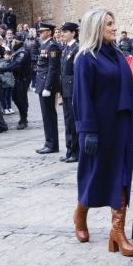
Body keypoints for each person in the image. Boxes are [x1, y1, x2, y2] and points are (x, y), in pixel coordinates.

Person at [72, 8, 133, 257]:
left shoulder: (118, 54)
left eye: (114, 23)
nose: (114, 28)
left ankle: (117, 232)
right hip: (98, 128)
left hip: (121, 125)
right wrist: (88, 130)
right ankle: (81, 213)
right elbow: (82, 98)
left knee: (121, 174)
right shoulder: (86, 58)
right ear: (96, 28)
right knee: (95, 175)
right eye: (109, 24)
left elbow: (125, 87)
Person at [34, 22, 62, 154]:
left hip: (47, 84)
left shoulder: (52, 46)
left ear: (49, 32)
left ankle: (52, 144)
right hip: (42, 83)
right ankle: (48, 142)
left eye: (42, 31)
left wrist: (48, 87)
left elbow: (52, 68)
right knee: (46, 116)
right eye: (39, 32)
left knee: (49, 115)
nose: (40, 34)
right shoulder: (45, 45)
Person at [0, 34, 31, 129]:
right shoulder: (17, 51)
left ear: (17, 41)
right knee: (16, 98)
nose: (12, 42)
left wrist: (3, 70)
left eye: (14, 41)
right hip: (17, 79)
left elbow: (17, 64)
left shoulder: (23, 52)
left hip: (22, 79)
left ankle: (24, 119)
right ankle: (23, 117)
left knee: (21, 99)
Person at [59, 21, 80, 163]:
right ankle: (69, 150)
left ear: (73, 33)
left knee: (73, 122)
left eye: (65, 32)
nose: (62, 34)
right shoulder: (66, 48)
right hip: (66, 90)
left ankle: (75, 152)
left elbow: (76, 73)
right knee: (67, 121)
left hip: (72, 90)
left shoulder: (76, 49)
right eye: (62, 32)